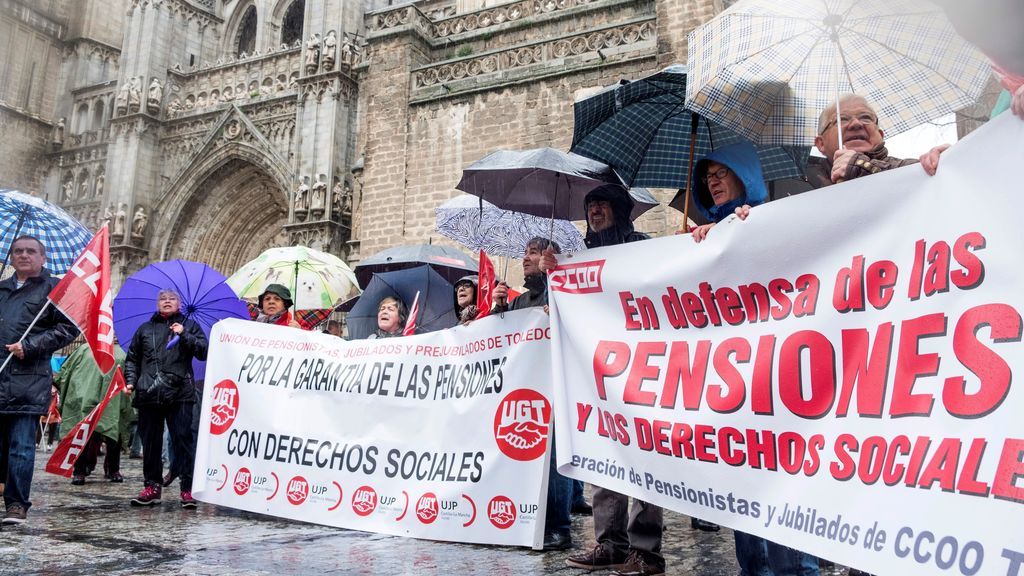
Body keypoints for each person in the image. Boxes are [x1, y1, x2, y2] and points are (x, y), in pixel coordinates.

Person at [688, 142, 821, 575]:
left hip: (778, 380)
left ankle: (795, 569)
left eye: (721, 173)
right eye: (707, 177)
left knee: (783, 488)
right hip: (734, 385)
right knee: (744, 487)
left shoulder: (768, 219)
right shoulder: (706, 233)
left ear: (744, 176)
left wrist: (750, 228)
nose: (712, 181)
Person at [553, 190, 664, 576]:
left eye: (602, 205)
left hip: (642, 366)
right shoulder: (578, 257)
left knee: (647, 459)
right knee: (604, 454)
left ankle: (647, 551)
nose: (595, 211)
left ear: (619, 211)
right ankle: (610, 544)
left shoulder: (640, 247)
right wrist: (555, 272)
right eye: (590, 206)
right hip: (600, 370)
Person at [493, 237, 575, 551]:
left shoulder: (561, 289)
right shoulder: (518, 301)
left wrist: (555, 284)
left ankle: (559, 527)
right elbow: (500, 343)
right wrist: (498, 310)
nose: (525, 258)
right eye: (524, 253)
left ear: (548, 257)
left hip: (555, 389)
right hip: (525, 393)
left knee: (554, 458)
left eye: (533, 252)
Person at [0, 235, 78, 525]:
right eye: (18, 251)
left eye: (31, 251)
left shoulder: (54, 289)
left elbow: (68, 329)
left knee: (21, 446)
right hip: (0, 374)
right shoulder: (1, 289)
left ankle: (17, 504)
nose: (23, 255)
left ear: (42, 258)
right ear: (10, 257)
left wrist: (29, 346)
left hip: (28, 378)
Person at [124, 289, 208, 508]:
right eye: (163, 299)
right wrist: (131, 381)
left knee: (183, 439)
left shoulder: (189, 326)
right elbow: (132, 358)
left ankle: (187, 488)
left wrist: (184, 334)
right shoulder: (145, 329)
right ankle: (152, 486)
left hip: (180, 392)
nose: (167, 301)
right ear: (157, 304)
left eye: (171, 299)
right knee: (150, 442)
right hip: (148, 391)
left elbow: (204, 351)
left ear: (179, 304)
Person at [807, 94, 950, 189]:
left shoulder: (917, 169)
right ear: (821, 143)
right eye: (842, 119)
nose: (856, 124)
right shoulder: (802, 185)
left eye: (866, 118)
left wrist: (949, 161)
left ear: (880, 134)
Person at [54, 344, 130, 485]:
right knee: (83, 434)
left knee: (113, 434)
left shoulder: (120, 353)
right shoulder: (84, 350)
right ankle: (80, 470)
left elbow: (128, 374)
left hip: (112, 399)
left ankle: (113, 469)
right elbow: (66, 372)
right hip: (86, 398)